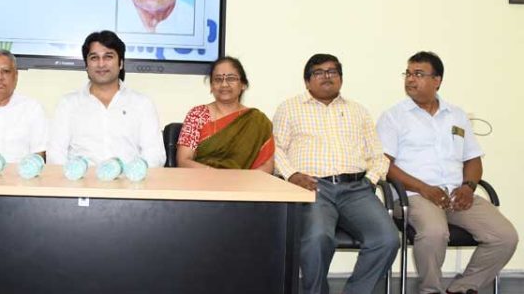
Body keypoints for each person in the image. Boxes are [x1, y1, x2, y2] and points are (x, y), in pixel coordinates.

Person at [377, 51, 518, 294]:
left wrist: (468, 187)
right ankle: (431, 289)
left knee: (505, 236)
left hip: (455, 194)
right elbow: (384, 165)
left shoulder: (456, 115)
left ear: (437, 80)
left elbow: (472, 159)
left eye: (418, 74)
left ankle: (462, 288)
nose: (410, 79)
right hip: (413, 195)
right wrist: (424, 188)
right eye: (408, 73)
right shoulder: (393, 117)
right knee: (434, 232)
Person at [273, 53, 399, 294]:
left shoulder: (358, 111)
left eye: (332, 72)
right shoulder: (289, 108)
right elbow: (275, 149)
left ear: (341, 78)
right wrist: (291, 175)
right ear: (307, 81)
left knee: (387, 239)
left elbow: (378, 155)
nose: (326, 77)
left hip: (357, 190)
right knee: (317, 239)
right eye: (319, 72)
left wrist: (370, 180)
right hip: (313, 188)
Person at [48, 30, 165, 167]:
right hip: (81, 178)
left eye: (108, 57)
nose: (101, 64)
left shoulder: (142, 104)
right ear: (86, 65)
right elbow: (55, 155)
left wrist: (132, 174)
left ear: (121, 63)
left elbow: (155, 155)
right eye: (94, 58)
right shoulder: (68, 104)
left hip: (129, 178)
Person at [176, 56, 274, 171]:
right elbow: (183, 161)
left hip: (244, 181)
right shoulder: (197, 115)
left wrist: (242, 180)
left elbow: (267, 166)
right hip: (203, 179)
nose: (224, 84)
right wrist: (217, 176)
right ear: (211, 86)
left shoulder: (257, 121)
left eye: (231, 78)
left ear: (243, 84)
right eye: (218, 79)